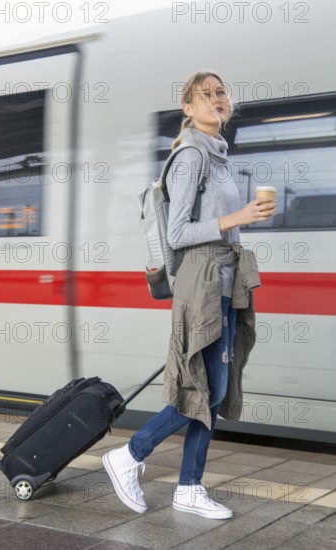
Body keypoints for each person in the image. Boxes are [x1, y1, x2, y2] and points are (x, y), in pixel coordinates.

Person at [103, 71, 276, 519]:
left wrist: (243, 218)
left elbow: (218, 223)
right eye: (206, 94)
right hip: (201, 283)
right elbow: (178, 233)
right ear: (188, 108)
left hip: (224, 281)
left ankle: (189, 487)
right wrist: (236, 215)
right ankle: (129, 455)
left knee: (215, 392)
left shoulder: (219, 156)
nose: (217, 99)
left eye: (222, 92)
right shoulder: (190, 157)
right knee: (205, 387)